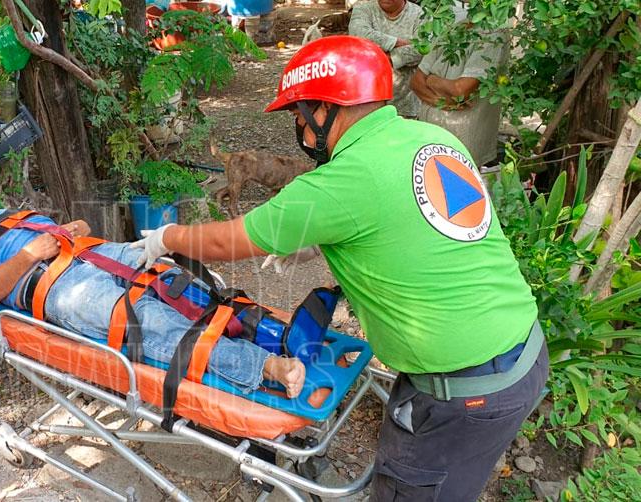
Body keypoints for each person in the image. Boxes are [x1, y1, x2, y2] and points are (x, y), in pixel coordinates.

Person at [133, 35, 549, 501]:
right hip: (521, 349)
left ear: (324, 108)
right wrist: (321, 244)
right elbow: (414, 227)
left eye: (298, 115)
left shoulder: (338, 182)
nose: (299, 128)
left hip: (463, 390)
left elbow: (222, 241)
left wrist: (166, 237)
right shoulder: (432, 138)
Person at [0, 191, 310, 398]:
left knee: (173, 275)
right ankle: (263, 366)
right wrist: (28, 256)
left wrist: (72, 229)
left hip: (88, 252)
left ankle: (265, 328)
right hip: (57, 288)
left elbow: (65, 230)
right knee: (148, 321)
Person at [410, 4, 508, 166]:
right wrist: (442, 101)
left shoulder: (493, 33)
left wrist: (432, 80)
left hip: (462, 145)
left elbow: (461, 90)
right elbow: (415, 82)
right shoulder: (455, 27)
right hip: (428, 138)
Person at [348, 0, 424, 118]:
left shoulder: (419, 14)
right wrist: (398, 42)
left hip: (405, 106)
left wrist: (389, 58)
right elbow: (359, 34)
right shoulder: (363, 8)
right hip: (366, 103)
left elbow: (421, 49)